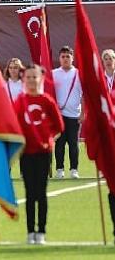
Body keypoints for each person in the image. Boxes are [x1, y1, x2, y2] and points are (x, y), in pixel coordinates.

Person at [14, 65, 64, 245]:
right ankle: (30, 231)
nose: (31, 81)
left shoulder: (47, 101)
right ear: (24, 80)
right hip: (26, 153)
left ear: (40, 79)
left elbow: (59, 127)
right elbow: (13, 126)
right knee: (29, 193)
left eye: (34, 77)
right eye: (28, 77)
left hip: (43, 153)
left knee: (41, 193)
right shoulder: (20, 101)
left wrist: (48, 140)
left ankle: (41, 230)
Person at [52, 46, 82, 179]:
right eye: (63, 56)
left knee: (73, 143)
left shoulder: (78, 74)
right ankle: (59, 169)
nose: (65, 59)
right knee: (59, 143)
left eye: (68, 56)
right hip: (58, 115)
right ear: (59, 58)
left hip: (74, 114)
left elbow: (85, 94)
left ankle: (74, 169)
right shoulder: (53, 73)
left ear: (72, 58)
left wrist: (83, 113)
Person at [101, 49, 115, 242]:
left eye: (111, 58)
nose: (108, 61)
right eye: (105, 58)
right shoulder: (99, 78)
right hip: (108, 130)